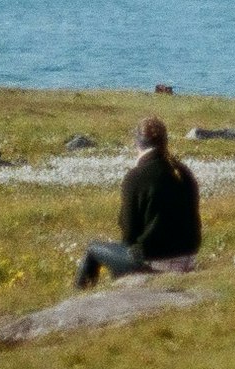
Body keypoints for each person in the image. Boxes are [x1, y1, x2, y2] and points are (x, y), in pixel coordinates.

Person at [76, 117, 201, 286]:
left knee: (93, 249)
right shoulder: (182, 170)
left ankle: (83, 299)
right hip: (188, 257)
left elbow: (128, 234)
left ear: (137, 143)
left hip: (155, 262)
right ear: (165, 142)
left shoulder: (135, 177)